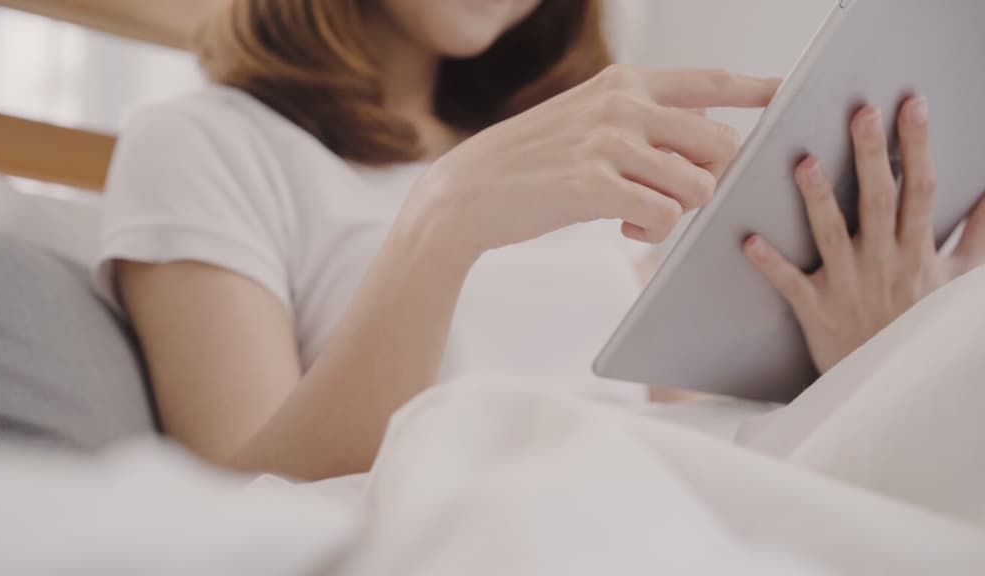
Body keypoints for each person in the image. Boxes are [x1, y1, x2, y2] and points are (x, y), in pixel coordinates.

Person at [97, 0, 985, 481]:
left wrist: (862, 362)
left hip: (672, 495)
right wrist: (442, 220)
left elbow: (682, 421)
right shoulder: (204, 140)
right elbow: (241, 507)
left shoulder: (567, 155)